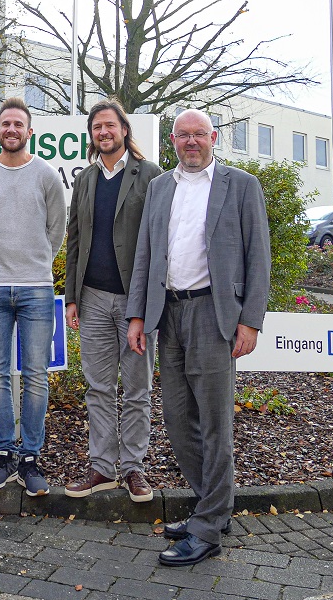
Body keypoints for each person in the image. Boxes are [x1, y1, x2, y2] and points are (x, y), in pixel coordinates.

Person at [127, 109, 269, 567]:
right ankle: (214, 507)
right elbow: (145, 256)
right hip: (167, 313)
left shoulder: (241, 185)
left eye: (199, 135)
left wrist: (249, 321)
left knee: (215, 424)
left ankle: (208, 528)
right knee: (175, 418)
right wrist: (137, 317)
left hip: (214, 313)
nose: (192, 142)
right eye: (183, 135)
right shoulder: (159, 187)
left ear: (213, 138)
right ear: (172, 140)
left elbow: (258, 256)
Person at [0, 97, 66, 496]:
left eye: (18, 124)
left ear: (29, 131)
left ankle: (30, 458)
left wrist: (34, 261)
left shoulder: (46, 175)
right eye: (5, 123)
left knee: (37, 377)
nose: (11, 130)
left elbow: (56, 230)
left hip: (36, 289)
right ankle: (4, 455)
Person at [63, 101, 162, 504]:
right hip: (92, 299)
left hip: (134, 302)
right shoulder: (85, 179)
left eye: (110, 125)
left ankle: (133, 467)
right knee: (99, 387)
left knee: (137, 389)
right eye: (96, 127)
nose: (103, 132)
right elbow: (74, 240)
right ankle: (103, 466)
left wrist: (146, 305)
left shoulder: (150, 176)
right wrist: (71, 297)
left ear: (124, 128)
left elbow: (159, 243)